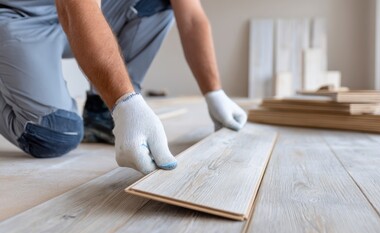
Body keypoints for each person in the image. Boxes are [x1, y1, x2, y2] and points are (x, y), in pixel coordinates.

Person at [0, 0, 247, 174]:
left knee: (155, 2)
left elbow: (192, 18)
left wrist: (214, 92)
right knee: (52, 136)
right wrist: (125, 102)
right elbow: (74, 7)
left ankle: (100, 111)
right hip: (19, 18)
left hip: (74, 13)